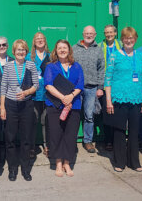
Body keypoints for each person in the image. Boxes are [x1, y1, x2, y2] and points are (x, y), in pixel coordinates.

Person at [104, 27, 142, 172]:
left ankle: (134, 161)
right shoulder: (114, 56)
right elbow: (108, 80)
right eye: (126, 38)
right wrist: (109, 101)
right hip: (119, 99)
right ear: (122, 40)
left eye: (132, 38)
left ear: (135, 40)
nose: (129, 41)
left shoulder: (141, 57)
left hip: (136, 99)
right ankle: (120, 161)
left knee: (134, 132)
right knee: (119, 132)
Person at [0, 39, 38, 181]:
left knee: (26, 139)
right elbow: (3, 87)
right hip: (11, 105)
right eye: (18, 50)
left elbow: (36, 85)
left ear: (26, 51)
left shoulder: (31, 65)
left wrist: (26, 93)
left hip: (26, 105)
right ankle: (12, 169)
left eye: (23, 50)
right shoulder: (8, 66)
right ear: (14, 52)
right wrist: (2, 107)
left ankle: (25, 169)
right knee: (10, 139)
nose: (21, 52)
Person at [45, 39, 84, 177]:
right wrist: (63, 98)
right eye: (59, 48)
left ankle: (67, 162)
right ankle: (58, 163)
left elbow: (80, 84)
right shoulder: (51, 66)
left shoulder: (76, 66)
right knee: (56, 134)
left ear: (69, 50)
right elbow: (48, 85)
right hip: (55, 105)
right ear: (56, 50)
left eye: (65, 48)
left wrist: (71, 97)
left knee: (70, 135)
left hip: (74, 105)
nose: (62, 50)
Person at [73, 25, 105, 153]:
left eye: (91, 33)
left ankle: (87, 141)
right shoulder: (74, 48)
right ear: (83, 34)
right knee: (74, 116)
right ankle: (72, 141)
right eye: (87, 33)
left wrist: (100, 87)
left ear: (95, 34)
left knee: (89, 116)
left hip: (92, 88)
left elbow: (101, 69)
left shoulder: (98, 50)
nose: (89, 35)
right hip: (76, 88)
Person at [26, 32, 50, 156]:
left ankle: (47, 146)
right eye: (37, 39)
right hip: (33, 94)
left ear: (45, 41)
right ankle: (31, 147)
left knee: (46, 120)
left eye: (42, 39)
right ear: (34, 42)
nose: (40, 40)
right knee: (32, 120)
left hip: (47, 94)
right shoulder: (29, 57)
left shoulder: (50, 57)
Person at [101, 24, 122, 151]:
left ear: (115, 33)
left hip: (119, 84)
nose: (109, 34)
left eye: (111, 32)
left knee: (119, 112)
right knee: (107, 112)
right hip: (105, 85)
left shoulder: (121, 45)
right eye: (106, 32)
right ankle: (108, 140)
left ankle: (117, 139)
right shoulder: (99, 46)